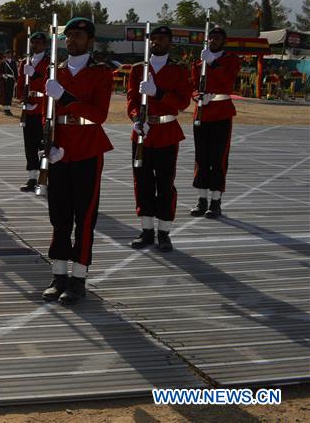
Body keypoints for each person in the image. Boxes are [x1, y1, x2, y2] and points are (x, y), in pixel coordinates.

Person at [41, 17, 113, 306]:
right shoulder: (55, 71)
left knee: (84, 217)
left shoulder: (101, 73)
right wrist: (46, 146)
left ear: (90, 41)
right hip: (60, 151)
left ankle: (79, 277)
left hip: (86, 151)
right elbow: (47, 116)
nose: (72, 40)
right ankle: (58, 274)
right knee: (59, 216)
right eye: (68, 35)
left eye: (79, 36)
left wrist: (66, 97)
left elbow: (99, 115)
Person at [127, 26, 192, 252]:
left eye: (161, 39)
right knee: (142, 183)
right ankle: (146, 230)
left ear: (170, 42)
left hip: (166, 132)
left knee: (165, 184)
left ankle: (164, 232)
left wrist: (159, 93)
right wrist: (136, 119)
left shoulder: (179, 70)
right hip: (143, 132)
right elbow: (132, 100)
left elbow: (184, 102)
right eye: (153, 39)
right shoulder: (138, 70)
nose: (156, 42)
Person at [190, 26, 240, 219]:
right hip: (202, 112)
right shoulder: (198, 62)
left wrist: (213, 64)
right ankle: (201, 199)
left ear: (223, 41)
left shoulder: (230, 60)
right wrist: (197, 96)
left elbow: (228, 82)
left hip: (221, 113)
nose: (213, 41)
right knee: (201, 157)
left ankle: (216, 202)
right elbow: (193, 86)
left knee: (218, 158)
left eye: (217, 38)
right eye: (211, 38)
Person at [16, 31, 49, 192]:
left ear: (45, 45)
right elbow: (20, 83)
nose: (35, 45)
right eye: (33, 42)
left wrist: (35, 75)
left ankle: (45, 176)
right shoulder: (24, 62)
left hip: (42, 108)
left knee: (43, 145)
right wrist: (23, 99)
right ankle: (31, 176)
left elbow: (50, 84)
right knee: (29, 145)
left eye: (38, 42)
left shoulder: (50, 62)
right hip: (28, 109)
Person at [0, 51, 17, 116]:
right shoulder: (3, 62)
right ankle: (6, 109)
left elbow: (16, 71)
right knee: (5, 94)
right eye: (7, 53)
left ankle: (8, 108)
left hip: (11, 80)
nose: (8, 54)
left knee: (10, 94)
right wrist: (3, 75)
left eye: (9, 53)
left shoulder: (13, 62)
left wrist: (16, 80)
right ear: (5, 54)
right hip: (5, 80)